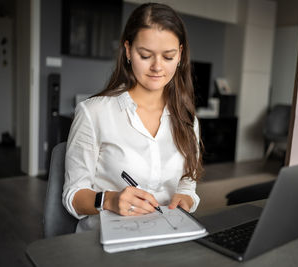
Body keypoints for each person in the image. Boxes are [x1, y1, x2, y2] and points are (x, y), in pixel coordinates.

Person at [62, 2, 203, 232]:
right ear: (128, 51)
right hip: (104, 241)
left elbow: (187, 182)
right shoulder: (93, 112)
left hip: (164, 235)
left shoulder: (187, 120)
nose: (158, 67)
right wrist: (109, 200)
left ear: (180, 55)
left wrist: (185, 198)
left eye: (168, 56)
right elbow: (73, 196)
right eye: (145, 55)